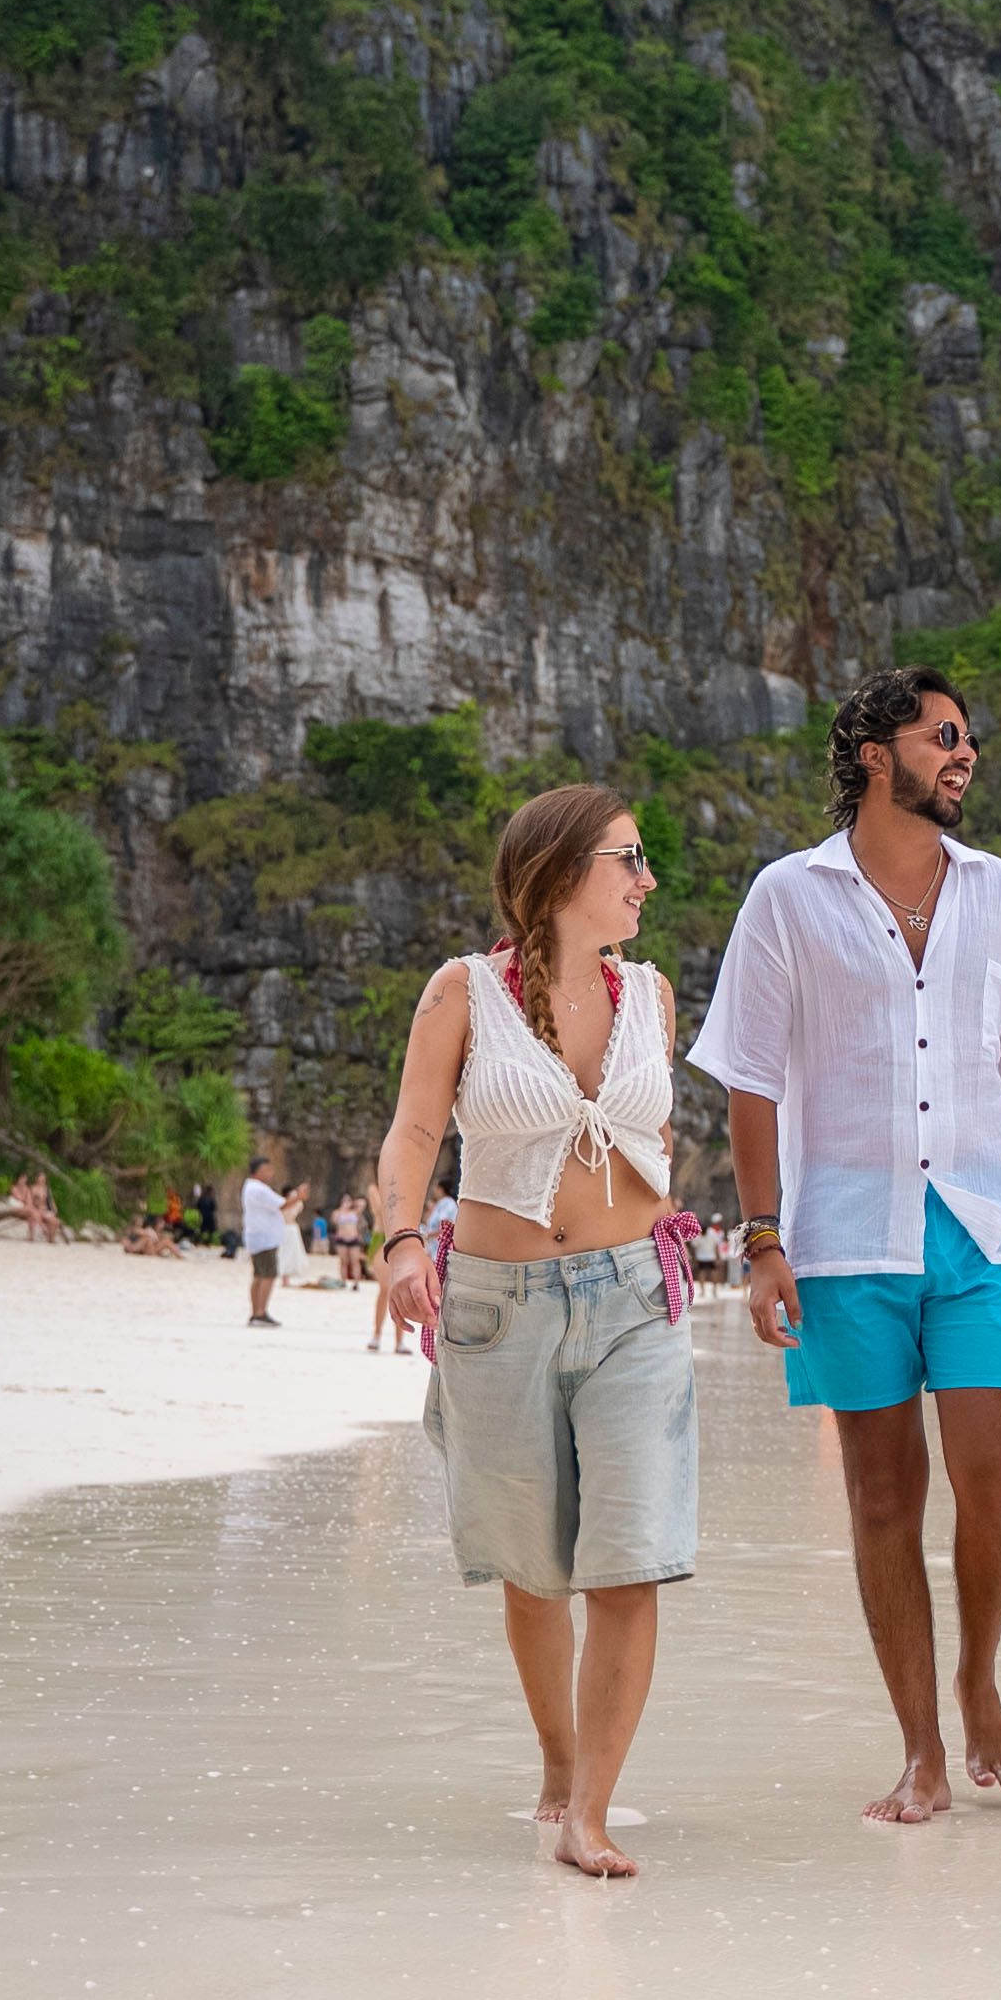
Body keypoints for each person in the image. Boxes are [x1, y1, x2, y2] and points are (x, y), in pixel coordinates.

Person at [691, 664, 1001, 1825]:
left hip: (979, 1227)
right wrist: (763, 1241)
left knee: (995, 1478)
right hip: (845, 1237)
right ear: (875, 755)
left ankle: (977, 1674)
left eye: (971, 737)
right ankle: (919, 1745)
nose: (963, 754)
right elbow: (751, 1079)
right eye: (941, 736)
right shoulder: (786, 897)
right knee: (878, 1496)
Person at [371, 782, 693, 1879]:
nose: (647, 881)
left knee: (630, 1559)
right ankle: (558, 1764)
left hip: (634, 1307)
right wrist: (404, 1239)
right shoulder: (463, 992)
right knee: (534, 1568)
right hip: (498, 1307)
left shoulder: (649, 994)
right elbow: (416, 1128)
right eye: (628, 860)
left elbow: (657, 1139)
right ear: (561, 874)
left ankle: (588, 1812)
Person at [239, 1155, 308, 1326]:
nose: (271, 1173)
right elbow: (281, 1204)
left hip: (257, 1236)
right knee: (268, 1275)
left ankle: (255, 1312)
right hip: (264, 1238)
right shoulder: (259, 1189)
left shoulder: (250, 1187)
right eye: (267, 1170)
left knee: (258, 1275)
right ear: (259, 1171)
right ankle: (261, 1312)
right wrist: (299, 1196)